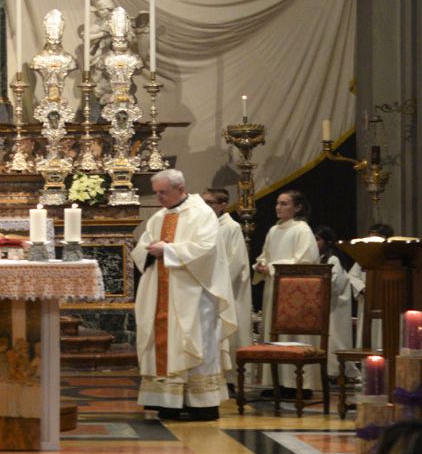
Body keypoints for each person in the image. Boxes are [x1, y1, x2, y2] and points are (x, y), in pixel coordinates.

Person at [133, 168, 236, 421]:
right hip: (161, 291)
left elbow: (206, 248)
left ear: (180, 189)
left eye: (163, 193)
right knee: (164, 343)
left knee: (193, 341)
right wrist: (149, 251)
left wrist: (168, 249)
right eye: (156, 193)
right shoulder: (157, 218)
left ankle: (201, 403)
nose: (159, 198)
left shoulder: (202, 214)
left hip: (193, 294)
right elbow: (141, 248)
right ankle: (168, 402)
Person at [253, 189, 319, 391]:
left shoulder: (302, 229)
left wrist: (272, 267)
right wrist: (261, 265)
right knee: (273, 332)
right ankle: (276, 382)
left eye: (284, 204)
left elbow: (304, 260)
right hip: (274, 287)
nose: (278, 207)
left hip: (295, 291)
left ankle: (298, 384)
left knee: (292, 334)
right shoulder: (274, 230)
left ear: (297, 207)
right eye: (277, 203)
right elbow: (265, 255)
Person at [202, 188, 252, 389]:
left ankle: (231, 379)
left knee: (229, 333)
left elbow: (237, 261)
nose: (205, 208)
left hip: (227, 290)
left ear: (222, 205)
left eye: (210, 203)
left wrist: (218, 285)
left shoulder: (231, 227)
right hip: (208, 288)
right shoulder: (205, 226)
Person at [314, 225, 356, 379]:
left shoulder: (333, 259)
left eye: (317, 239)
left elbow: (335, 284)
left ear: (327, 242)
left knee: (334, 337)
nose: (314, 243)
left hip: (334, 306)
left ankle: (337, 371)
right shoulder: (318, 258)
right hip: (323, 304)